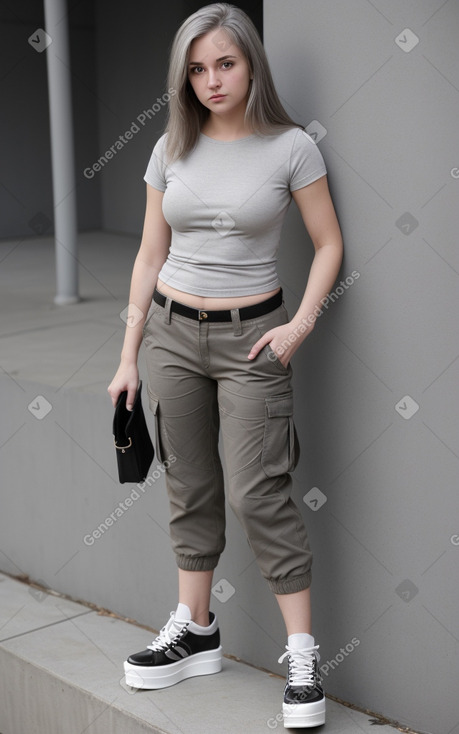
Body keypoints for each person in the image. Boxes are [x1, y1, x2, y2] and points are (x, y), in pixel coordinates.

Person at [108, 2, 343, 728]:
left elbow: (328, 242)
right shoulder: (170, 147)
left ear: (251, 65)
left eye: (225, 64)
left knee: (257, 492)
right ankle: (195, 628)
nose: (211, 80)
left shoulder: (290, 147)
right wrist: (128, 358)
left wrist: (299, 326)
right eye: (197, 68)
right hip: (173, 336)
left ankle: (303, 657)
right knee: (187, 482)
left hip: (253, 342)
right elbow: (149, 255)